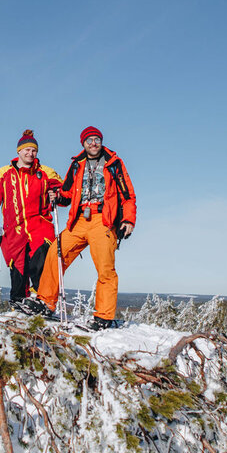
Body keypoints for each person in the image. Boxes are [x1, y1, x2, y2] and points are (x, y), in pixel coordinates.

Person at [36, 126, 137, 330]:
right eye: (89, 140)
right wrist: (57, 196)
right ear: (83, 143)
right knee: (56, 253)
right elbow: (66, 193)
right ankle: (46, 302)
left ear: (101, 142)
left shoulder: (114, 164)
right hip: (79, 219)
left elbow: (128, 195)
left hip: (103, 220)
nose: (93, 143)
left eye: (96, 139)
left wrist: (128, 220)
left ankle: (103, 316)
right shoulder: (77, 165)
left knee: (105, 268)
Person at [0, 129, 62, 316]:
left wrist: (56, 194)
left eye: (33, 150)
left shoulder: (45, 172)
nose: (30, 153)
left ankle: (42, 304)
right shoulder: (5, 173)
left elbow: (64, 190)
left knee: (40, 262)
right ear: (18, 151)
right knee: (17, 269)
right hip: (14, 228)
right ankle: (17, 307)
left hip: (39, 224)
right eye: (26, 150)